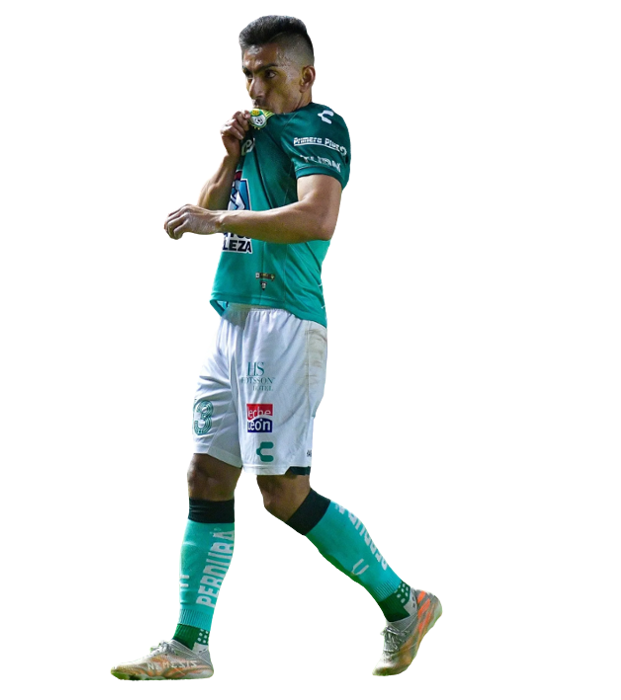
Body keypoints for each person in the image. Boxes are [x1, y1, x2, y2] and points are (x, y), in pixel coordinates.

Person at [109, 14, 442, 682]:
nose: (256, 88)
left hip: (285, 323)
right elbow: (204, 209)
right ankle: (189, 647)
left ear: (306, 76)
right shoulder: (256, 132)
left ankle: (406, 605)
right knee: (206, 476)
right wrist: (229, 154)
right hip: (233, 321)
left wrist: (215, 217)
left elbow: (318, 217)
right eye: (247, 74)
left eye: (269, 73)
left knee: (283, 493)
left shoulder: (322, 127)